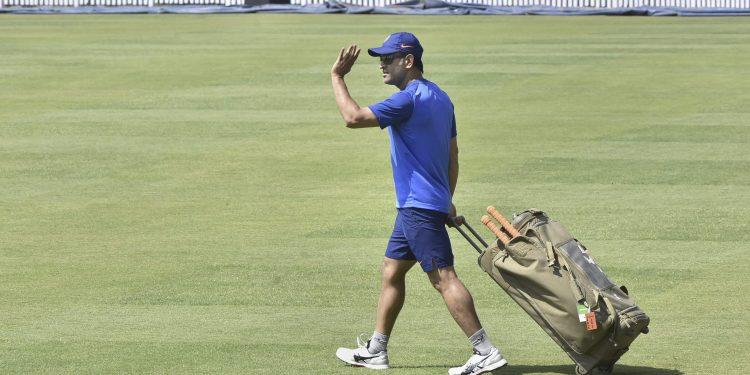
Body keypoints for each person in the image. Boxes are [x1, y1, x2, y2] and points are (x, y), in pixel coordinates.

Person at [330, 32, 508, 375]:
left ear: (408, 61)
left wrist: (337, 77)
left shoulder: (407, 100)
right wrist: (446, 199)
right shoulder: (441, 97)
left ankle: (484, 350)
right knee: (392, 270)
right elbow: (452, 155)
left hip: (417, 207)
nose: (382, 63)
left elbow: (352, 117)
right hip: (424, 204)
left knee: (443, 277)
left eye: (388, 58)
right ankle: (376, 350)